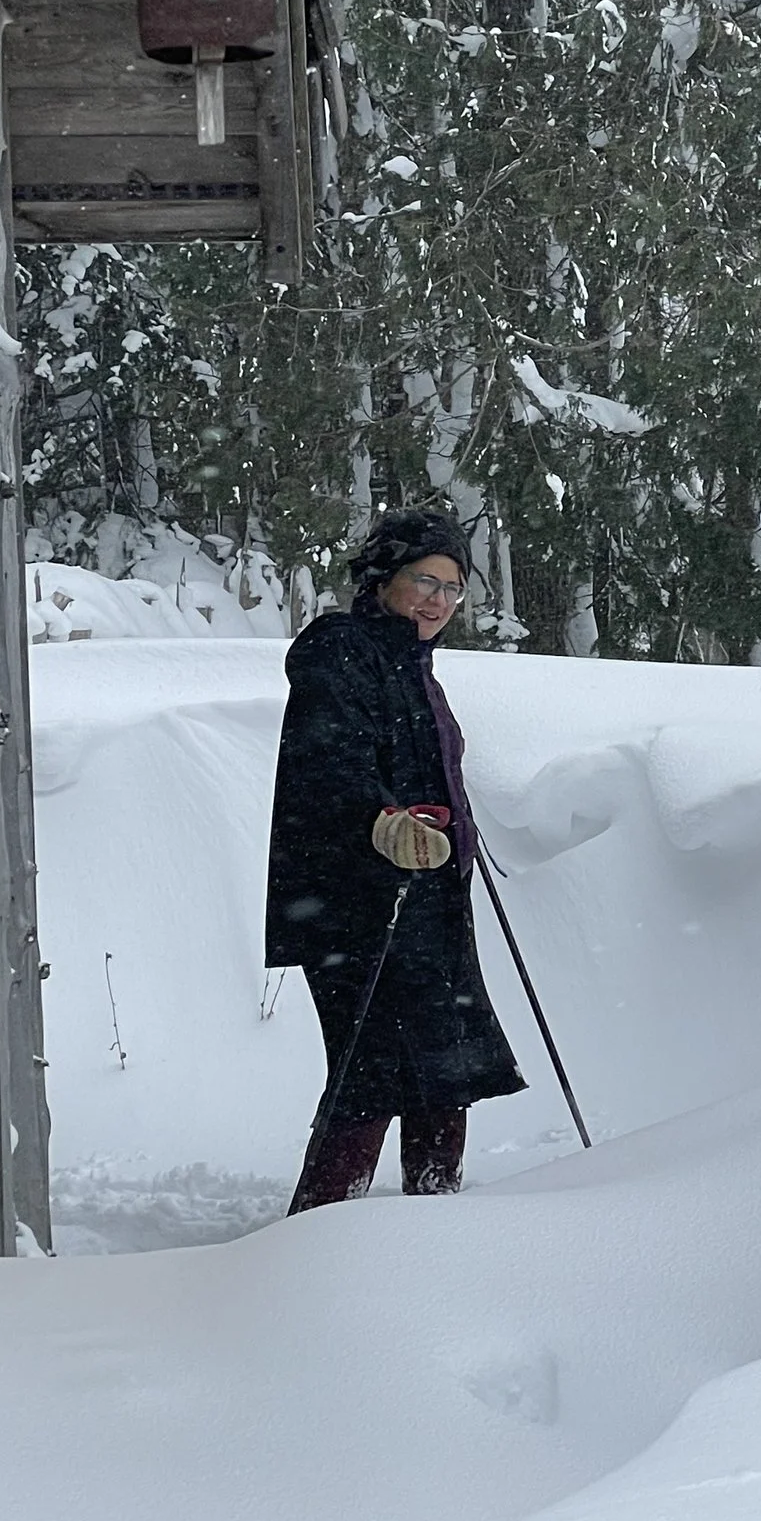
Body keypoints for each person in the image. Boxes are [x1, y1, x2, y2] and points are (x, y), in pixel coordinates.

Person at [265, 508, 523, 1213]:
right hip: (358, 907)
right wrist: (380, 817)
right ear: (385, 578)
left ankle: (431, 1227)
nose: (438, 599)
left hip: (431, 903)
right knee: (371, 1071)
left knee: (446, 1069)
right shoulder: (339, 648)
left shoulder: (419, 672)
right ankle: (322, 1230)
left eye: (453, 587)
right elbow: (329, 755)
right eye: (425, 580)